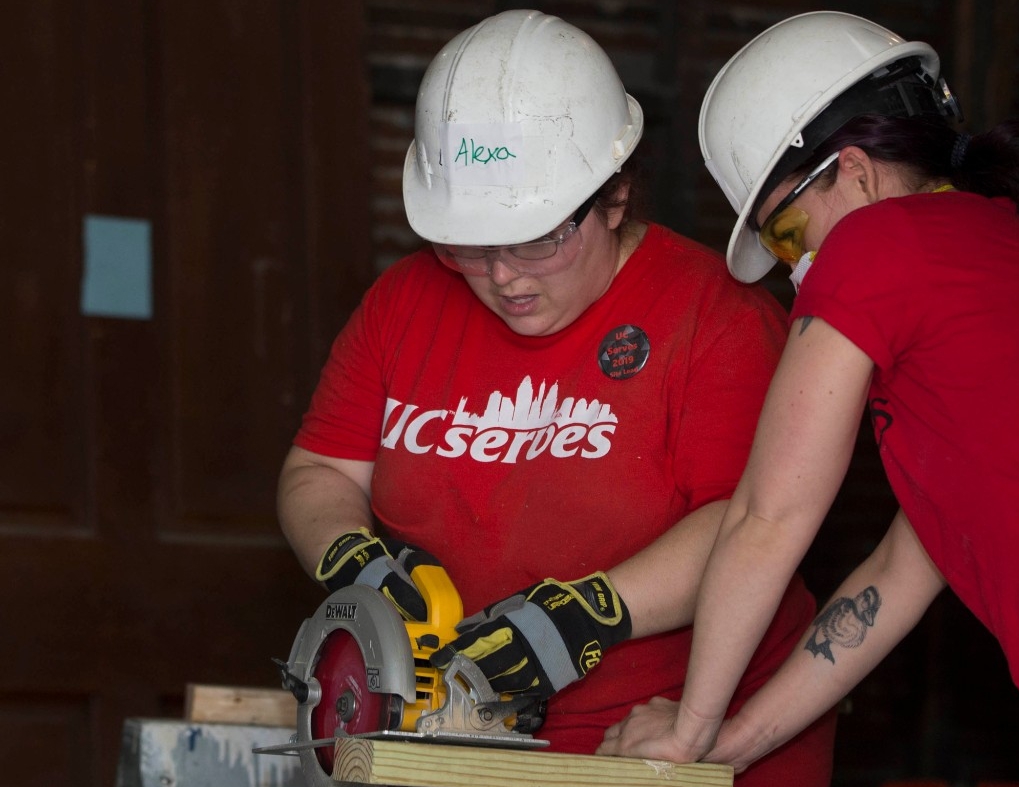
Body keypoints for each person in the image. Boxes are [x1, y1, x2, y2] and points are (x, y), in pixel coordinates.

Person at [276, 9, 835, 785]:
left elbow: (756, 519)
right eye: (469, 243)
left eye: (540, 237)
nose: (504, 274)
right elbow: (319, 470)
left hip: (667, 743)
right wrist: (355, 559)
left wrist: (584, 614)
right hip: (455, 745)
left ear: (615, 195)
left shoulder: (718, 318)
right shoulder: (405, 302)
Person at [598, 11, 1019, 787]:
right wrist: (733, 742)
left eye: (785, 232)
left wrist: (686, 728)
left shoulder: (875, 243)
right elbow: (895, 576)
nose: (796, 266)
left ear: (854, 170)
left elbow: (769, 515)